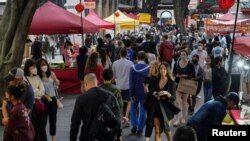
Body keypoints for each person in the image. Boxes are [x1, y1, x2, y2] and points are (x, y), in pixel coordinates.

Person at [70, 73, 121, 141]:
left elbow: (75, 123)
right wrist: (118, 135)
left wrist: (72, 139)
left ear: (86, 84)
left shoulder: (81, 98)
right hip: (107, 135)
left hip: (88, 136)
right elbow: (117, 115)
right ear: (96, 81)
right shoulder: (110, 95)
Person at [144, 62, 178, 141]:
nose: (162, 70)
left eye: (164, 69)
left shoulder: (171, 82)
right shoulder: (156, 80)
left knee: (166, 129)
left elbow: (173, 98)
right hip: (157, 106)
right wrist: (154, 93)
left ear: (167, 70)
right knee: (157, 130)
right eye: (161, 69)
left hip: (167, 108)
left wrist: (167, 93)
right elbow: (152, 91)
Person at [24, 59, 48, 141]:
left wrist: (35, 91)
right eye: (33, 67)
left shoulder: (37, 77)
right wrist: (37, 91)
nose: (35, 68)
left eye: (35, 67)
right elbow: (29, 93)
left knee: (42, 127)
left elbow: (43, 91)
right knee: (34, 128)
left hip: (40, 105)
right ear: (28, 68)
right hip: (31, 106)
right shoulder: (25, 79)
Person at [37, 58, 60, 141]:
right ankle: (43, 138)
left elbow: (57, 85)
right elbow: (38, 91)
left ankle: (53, 138)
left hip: (53, 99)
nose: (44, 66)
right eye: (42, 65)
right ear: (38, 67)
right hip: (43, 101)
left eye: (45, 64)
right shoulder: (38, 77)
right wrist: (46, 96)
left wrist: (55, 79)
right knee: (43, 121)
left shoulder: (51, 74)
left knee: (53, 120)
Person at [129, 51, 150, 135]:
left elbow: (131, 82)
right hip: (145, 91)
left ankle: (134, 125)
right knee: (143, 110)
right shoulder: (149, 67)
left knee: (133, 107)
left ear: (137, 57)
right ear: (145, 58)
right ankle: (140, 129)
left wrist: (131, 93)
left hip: (135, 91)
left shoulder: (132, 67)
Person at [173, 50, 195, 126]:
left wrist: (187, 76)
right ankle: (178, 118)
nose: (183, 56)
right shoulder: (176, 63)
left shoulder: (190, 64)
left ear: (187, 55)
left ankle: (183, 117)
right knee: (177, 102)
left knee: (184, 102)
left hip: (186, 84)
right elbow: (173, 73)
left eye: (184, 54)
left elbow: (193, 75)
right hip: (177, 83)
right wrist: (177, 75)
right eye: (181, 54)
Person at [112, 48, 134, 126]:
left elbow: (113, 76)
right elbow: (132, 75)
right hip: (128, 85)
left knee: (119, 102)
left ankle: (121, 117)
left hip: (118, 86)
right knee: (129, 102)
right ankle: (126, 117)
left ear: (120, 54)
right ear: (127, 54)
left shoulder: (115, 63)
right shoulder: (131, 63)